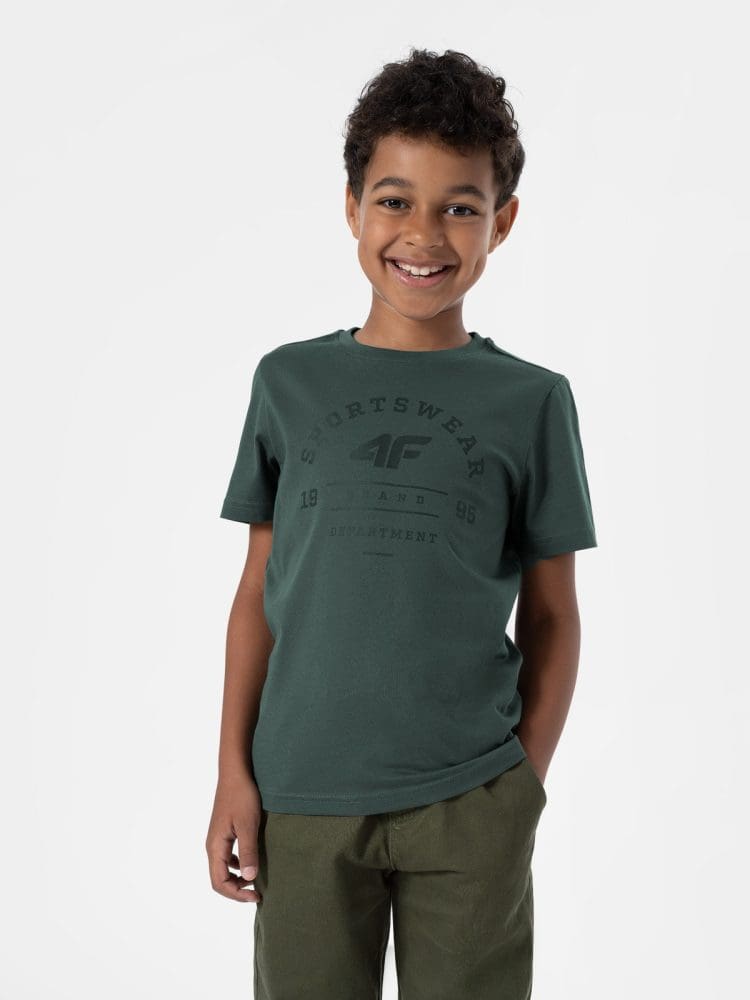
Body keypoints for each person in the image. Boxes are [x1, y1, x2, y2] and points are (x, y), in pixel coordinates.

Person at [206, 47, 598, 1000]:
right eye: (394, 200)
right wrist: (232, 773)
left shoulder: (533, 401)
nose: (423, 234)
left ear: (502, 221)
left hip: (470, 799)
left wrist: (522, 784)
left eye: (460, 207)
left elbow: (553, 614)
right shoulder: (288, 383)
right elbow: (259, 590)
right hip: (302, 794)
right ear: (352, 207)